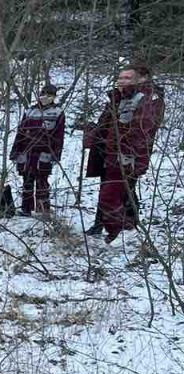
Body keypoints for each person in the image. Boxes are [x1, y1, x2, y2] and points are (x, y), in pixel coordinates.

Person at [83, 64, 163, 243]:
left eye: (132, 77)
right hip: (108, 151)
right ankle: (103, 223)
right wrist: (94, 136)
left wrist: (129, 150)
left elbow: (143, 129)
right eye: (122, 78)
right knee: (109, 188)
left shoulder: (149, 98)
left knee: (122, 190)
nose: (123, 81)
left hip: (128, 154)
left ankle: (127, 227)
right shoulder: (119, 97)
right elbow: (106, 121)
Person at [9, 83, 65, 217]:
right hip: (27, 151)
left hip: (44, 152)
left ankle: (43, 209)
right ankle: (26, 209)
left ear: (54, 97)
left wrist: (55, 154)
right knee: (27, 179)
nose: (45, 97)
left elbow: (59, 136)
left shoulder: (58, 112)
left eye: (49, 95)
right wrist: (16, 151)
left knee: (42, 180)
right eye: (43, 94)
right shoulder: (30, 111)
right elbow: (20, 133)